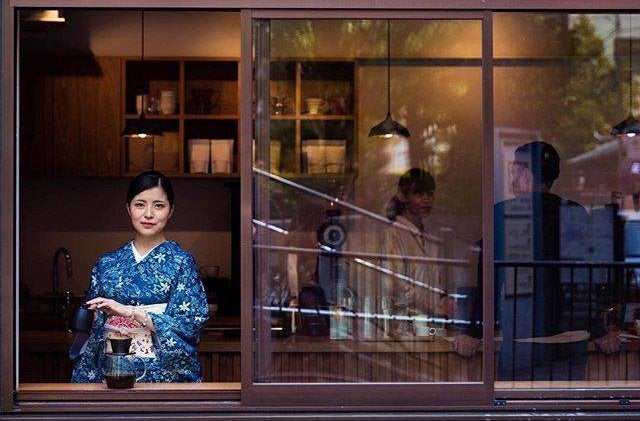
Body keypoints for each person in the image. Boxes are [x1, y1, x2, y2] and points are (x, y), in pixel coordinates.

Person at [454, 141, 620, 381]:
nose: (511, 174)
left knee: (517, 411)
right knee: (567, 412)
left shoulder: (504, 214)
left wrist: (473, 330)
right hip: (570, 343)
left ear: (527, 174)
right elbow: (585, 281)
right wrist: (599, 331)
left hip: (523, 343)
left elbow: (488, 280)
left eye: (514, 169)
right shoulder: (574, 213)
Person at [71, 171, 209, 383]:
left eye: (159, 206)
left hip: (160, 375)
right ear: (128, 209)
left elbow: (189, 325)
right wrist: (96, 320)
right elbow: (95, 330)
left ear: (171, 211)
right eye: (140, 204)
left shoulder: (181, 262)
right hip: (113, 373)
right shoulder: (107, 264)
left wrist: (131, 312)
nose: (148, 214)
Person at [381, 168, 454, 336]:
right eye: (419, 194)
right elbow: (396, 283)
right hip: (405, 327)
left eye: (429, 193)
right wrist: (431, 303)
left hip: (433, 326)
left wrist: (445, 299)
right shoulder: (394, 233)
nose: (426, 200)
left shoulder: (430, 237)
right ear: (402, 196)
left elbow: (438, 281)